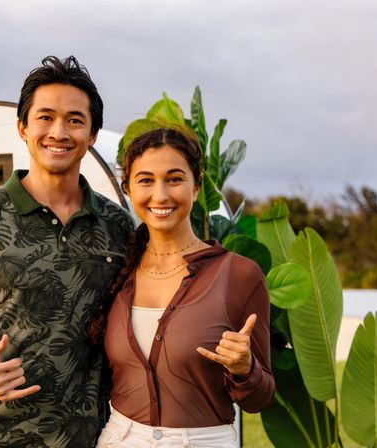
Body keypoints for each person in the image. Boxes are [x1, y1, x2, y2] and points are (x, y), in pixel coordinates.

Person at [0, 55, 134, 447]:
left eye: (75, 120)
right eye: (45, 117)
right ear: (22, 127)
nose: (59, 131)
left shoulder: (118, 226)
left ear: (91, 135)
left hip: (81, 436)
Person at [95, 127, 275, 447]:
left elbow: (259, 399)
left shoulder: (239, 275)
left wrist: (246, 369)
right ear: (128, 189)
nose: (161, 195)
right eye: (146, 180)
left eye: (175, 179)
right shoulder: (118, 271)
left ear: (196, 187)